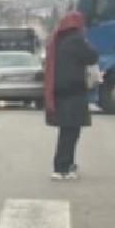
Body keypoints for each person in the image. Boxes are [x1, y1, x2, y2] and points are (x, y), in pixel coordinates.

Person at [43, 11, 99, 181]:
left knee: (67, 130)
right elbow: (92, 56)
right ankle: (62, 167)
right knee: (70, 132)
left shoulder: (58, 41)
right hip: (73, 91)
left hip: (60, 90)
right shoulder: (76, 40)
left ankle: (66, 164)